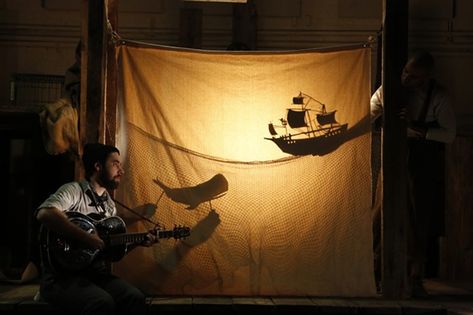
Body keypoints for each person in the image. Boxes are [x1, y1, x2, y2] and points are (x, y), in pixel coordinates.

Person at [370, 51, 456, 297]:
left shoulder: (439, 96)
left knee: (417, 218)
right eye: (406, 71)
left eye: (414, 76)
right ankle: (376, 273)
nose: (406, 78)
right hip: (391, 154)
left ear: (426, 78)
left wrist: (416, 128)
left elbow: (449, 134)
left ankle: (414, 277)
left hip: (421, 159)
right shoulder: (388, 89)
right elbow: (368, 113)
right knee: (379, 214)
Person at [35, 143, 155, 314]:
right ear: (98, 166)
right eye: (115, 164)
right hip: (61, 278)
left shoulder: (109, 206)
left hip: (93, 276)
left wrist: (139, 242)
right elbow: (45, 213)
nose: (121, 170)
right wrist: (86, 237)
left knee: (135, 297)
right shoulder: (73, 191)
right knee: (101, 302)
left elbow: (105, 248)